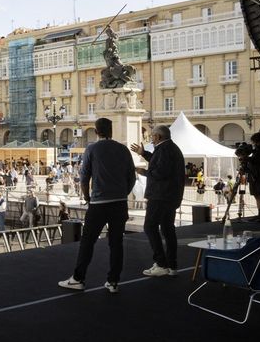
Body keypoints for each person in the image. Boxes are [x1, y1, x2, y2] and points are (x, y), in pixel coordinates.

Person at [59, 118, 135, 293]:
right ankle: (113, 282)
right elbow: (131, 177)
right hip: (120, 203)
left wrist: (87, 197)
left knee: (88, 241)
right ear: (111, 130)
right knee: (116, 243)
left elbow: (84, 178)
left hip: (99, 203)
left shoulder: (92, 149)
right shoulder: (123, 149)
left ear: (97, 131)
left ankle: (78, 278)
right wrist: (122, 194)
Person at [130, 125, 186, 278]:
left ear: (158, 137)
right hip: (169, 196)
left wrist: (144, 172)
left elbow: (160, 172)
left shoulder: (164, 150)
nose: (150, 138)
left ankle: (161, 263)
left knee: (150, 227)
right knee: (168, 229)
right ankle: (172, 265)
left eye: (152, 136)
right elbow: (160, 163)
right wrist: (144, 154)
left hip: (160, 196)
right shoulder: (169, 148)